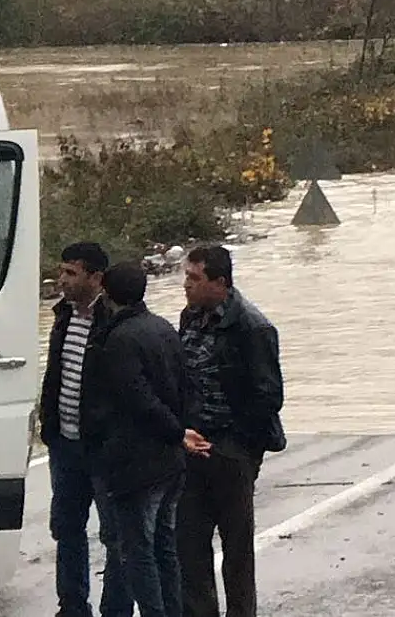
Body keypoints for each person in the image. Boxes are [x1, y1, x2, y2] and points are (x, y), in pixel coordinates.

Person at [179, 245, 286, 617]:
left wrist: (238, 445)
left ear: (219, 283)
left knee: (236, 547)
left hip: (231, 450)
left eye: (195, 278)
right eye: (186, 277)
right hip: (192, 447)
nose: (186, 285)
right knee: (189, 543)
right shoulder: (191, 318)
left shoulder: (252, 327)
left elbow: (268, 396)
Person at [90, 262, 196, 617]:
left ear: (106, 291)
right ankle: (172, 610)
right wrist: (178, 433)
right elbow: (184, 387)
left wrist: (174, 431)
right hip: (169, 461)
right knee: (164, 545)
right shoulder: (164, 328)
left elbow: (137, 398)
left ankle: (154, 611)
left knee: (138, 551)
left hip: (137, 461)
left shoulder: (119, 340)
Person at [43, 243, 131, 617]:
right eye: (62, 272)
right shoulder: (63, 315)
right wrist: (49, 426)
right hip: (65, 444)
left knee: (115, 535)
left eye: (71, 273)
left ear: (96, 278)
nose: (63, 281)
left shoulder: (115, 321)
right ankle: (73, 607)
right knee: (66, 528)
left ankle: (116, 609)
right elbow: (56, 374)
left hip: (102, 449)